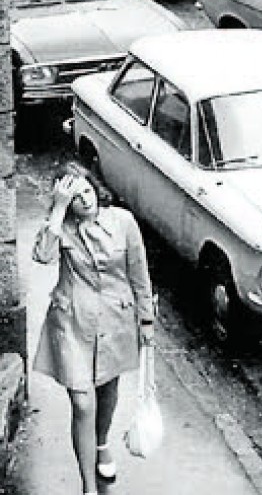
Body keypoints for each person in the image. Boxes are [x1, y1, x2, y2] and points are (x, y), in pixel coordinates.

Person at [33, 162, 155, 495]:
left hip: (116, 321)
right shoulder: (61, 227)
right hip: (72, 324)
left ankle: (101, 443)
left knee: (107, 392)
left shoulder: (123, 222)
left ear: (95, 188)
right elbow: (42, 256)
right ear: (66, 203)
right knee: (83, 403)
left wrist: (146, 321)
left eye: (87, 190)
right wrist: (58, 210)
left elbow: (139, 275)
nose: (84, 200)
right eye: (74, 197)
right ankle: (89, 487)